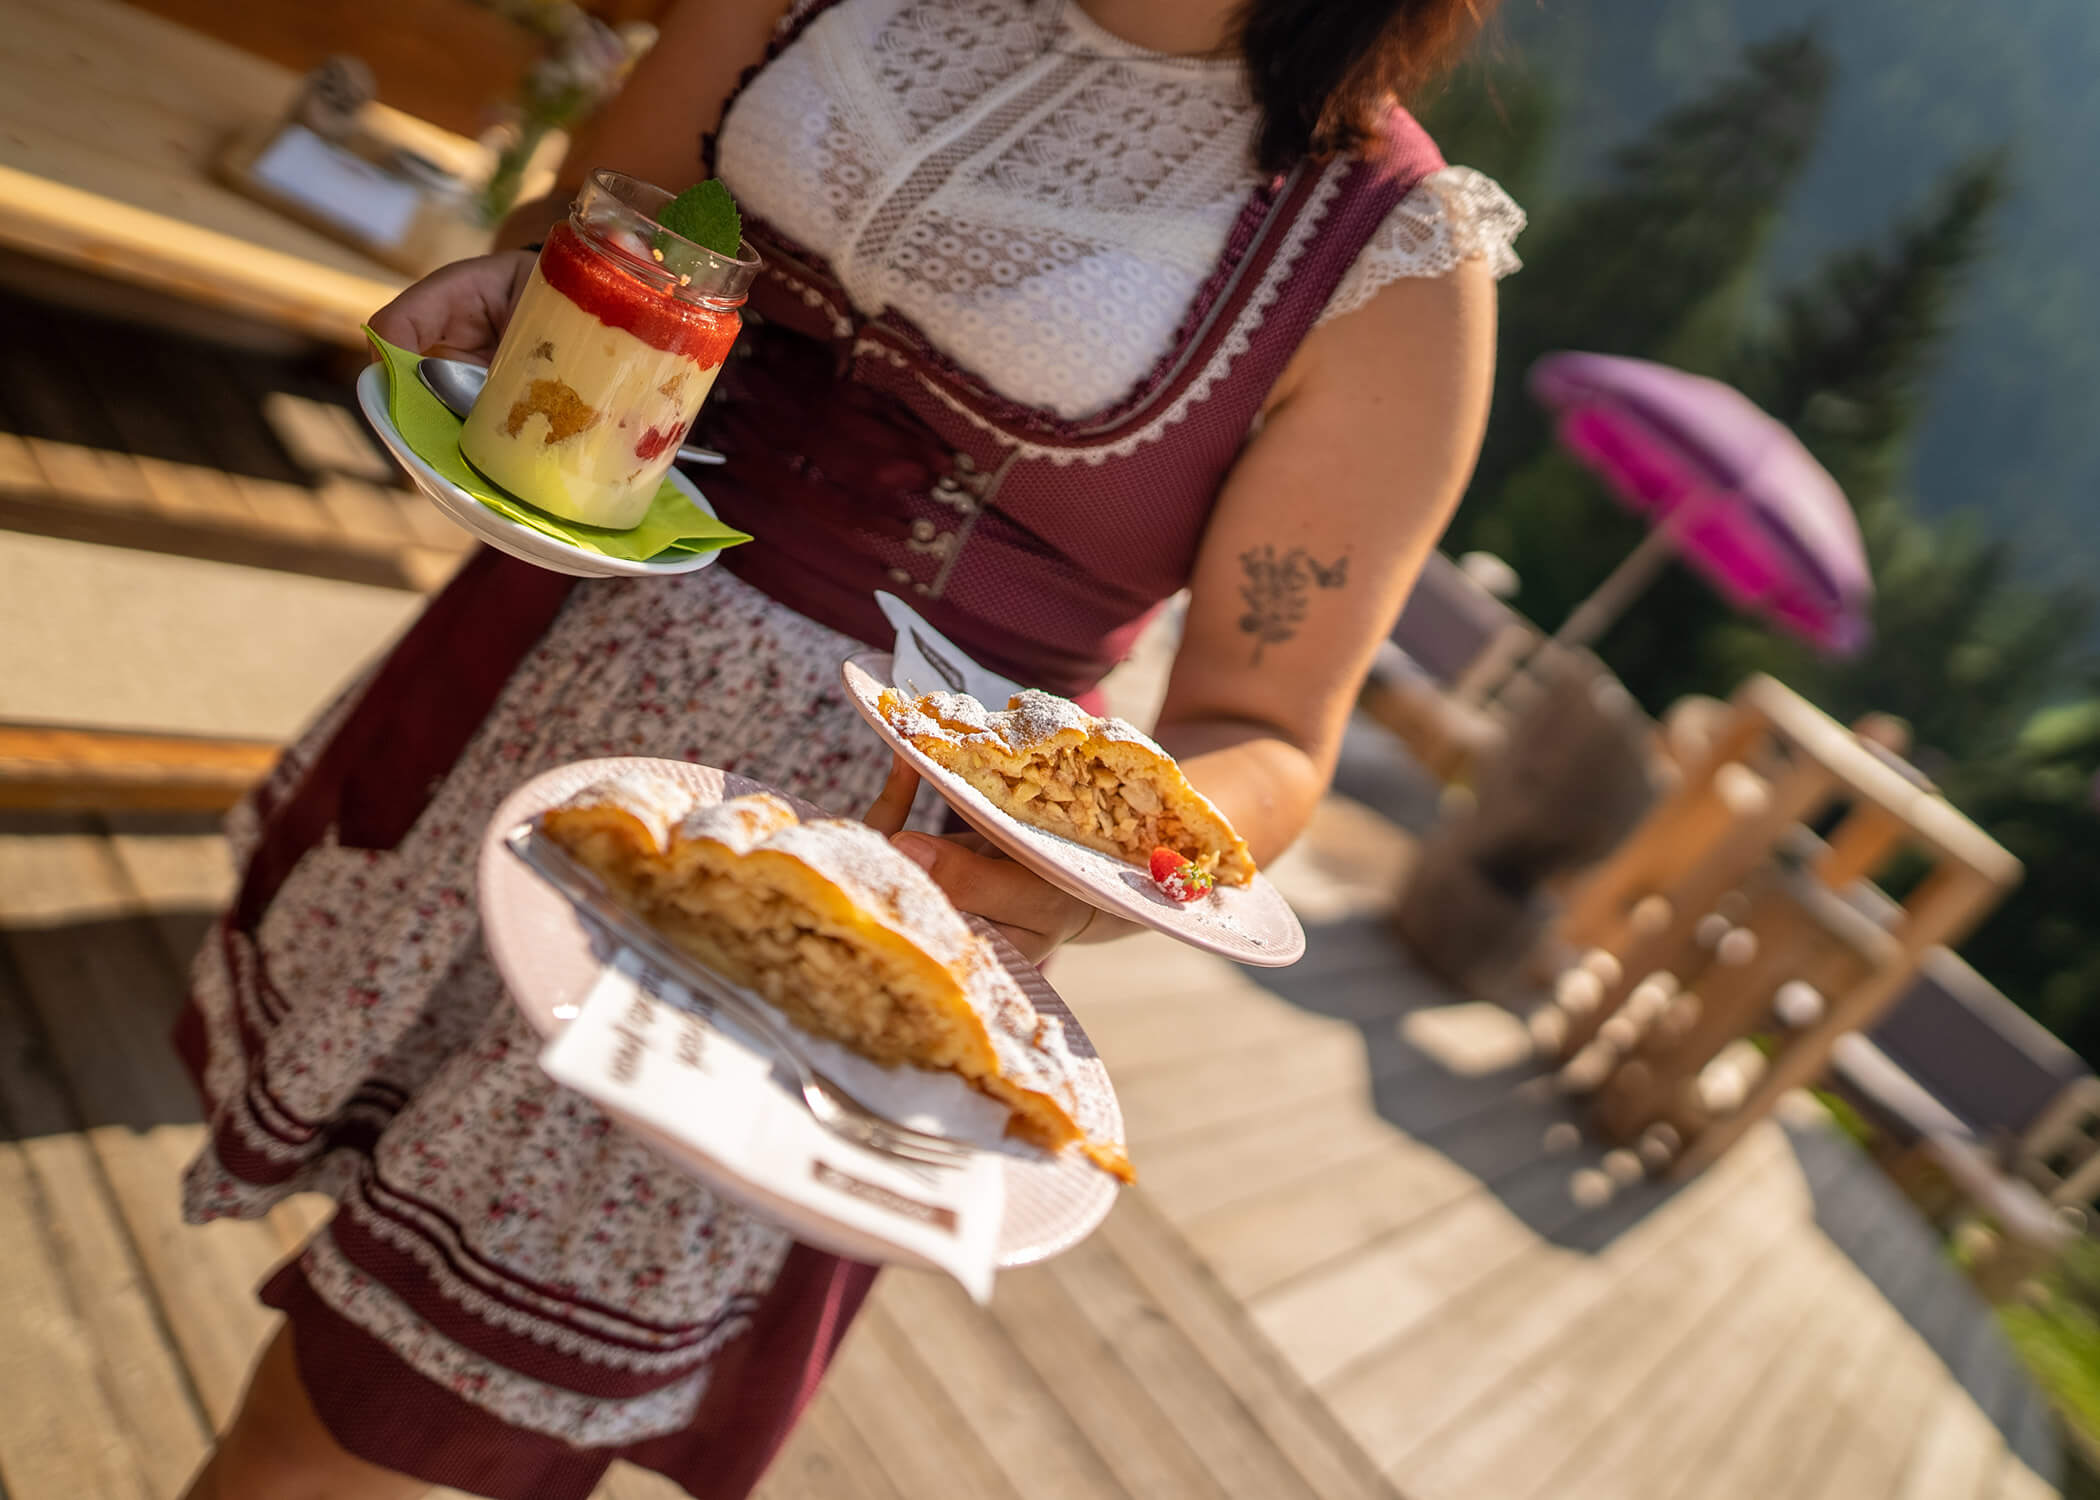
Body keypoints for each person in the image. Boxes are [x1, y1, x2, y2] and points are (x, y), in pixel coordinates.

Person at [175, 0, 1521, 1495]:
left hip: (806, 900)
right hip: (531, 672)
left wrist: (1077, 873)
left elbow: (1264, 731)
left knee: (341, 1435)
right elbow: (589, 211)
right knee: (325, 1287)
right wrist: (531, 300)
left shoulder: (1396, 260)